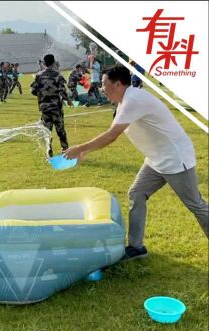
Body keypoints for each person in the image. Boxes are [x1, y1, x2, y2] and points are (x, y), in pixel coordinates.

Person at [65, 65, 208, 260]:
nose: (102, 88)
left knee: (195, 204)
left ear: (117, 83)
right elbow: (112, 131)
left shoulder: (133, 100)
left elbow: (112, 136)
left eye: (105, 84)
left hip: (176, 159)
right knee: (137, 192)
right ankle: (136, 247)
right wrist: (86, 151)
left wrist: (79, 148)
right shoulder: (124, 101)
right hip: (156, 159)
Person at [31, 54, 73, 157]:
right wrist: (68, 100)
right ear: (54, 62)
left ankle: (49, 152)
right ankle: (65, 151)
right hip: (56, 108)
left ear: (44, 63)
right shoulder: (58, 75)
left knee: (47, 131)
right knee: (61, 130)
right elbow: (62, 92)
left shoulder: (39, 76)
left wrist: (43, 95)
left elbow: (33, 90)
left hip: (44, 108)